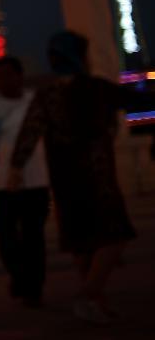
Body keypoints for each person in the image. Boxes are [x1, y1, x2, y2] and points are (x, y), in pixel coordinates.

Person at [10, 31, 154, 324]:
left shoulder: (47, 95)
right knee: (114, 236)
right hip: (97, 176)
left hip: (64, 178)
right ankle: (89, 293)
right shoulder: (97, 89)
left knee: (81, 239)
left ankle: (94, 301)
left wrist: (16, 168)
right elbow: (140, 99)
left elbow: (29, 132)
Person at [0, 56, 48, 307]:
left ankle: (33, 288)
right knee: (5, 237)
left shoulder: (34, 103)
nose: (4, 80)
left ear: (20, 75)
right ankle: (20, 277)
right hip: (4, 183)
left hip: (37, 181)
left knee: (34, 238)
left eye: (8, 74)